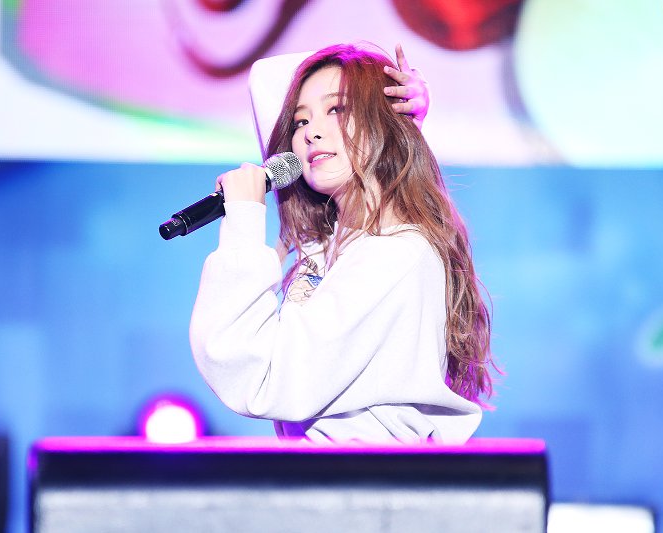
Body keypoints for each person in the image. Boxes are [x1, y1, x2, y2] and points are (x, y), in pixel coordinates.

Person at [190, 43, 494, 443]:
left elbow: (262, 377)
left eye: (338, 109)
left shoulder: (393, 254)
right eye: (300, 122)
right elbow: (266, 82)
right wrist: (399, 119)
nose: (311, 132)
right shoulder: (335, 247)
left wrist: (244, 225)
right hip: (338, 474)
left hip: (365, 476)